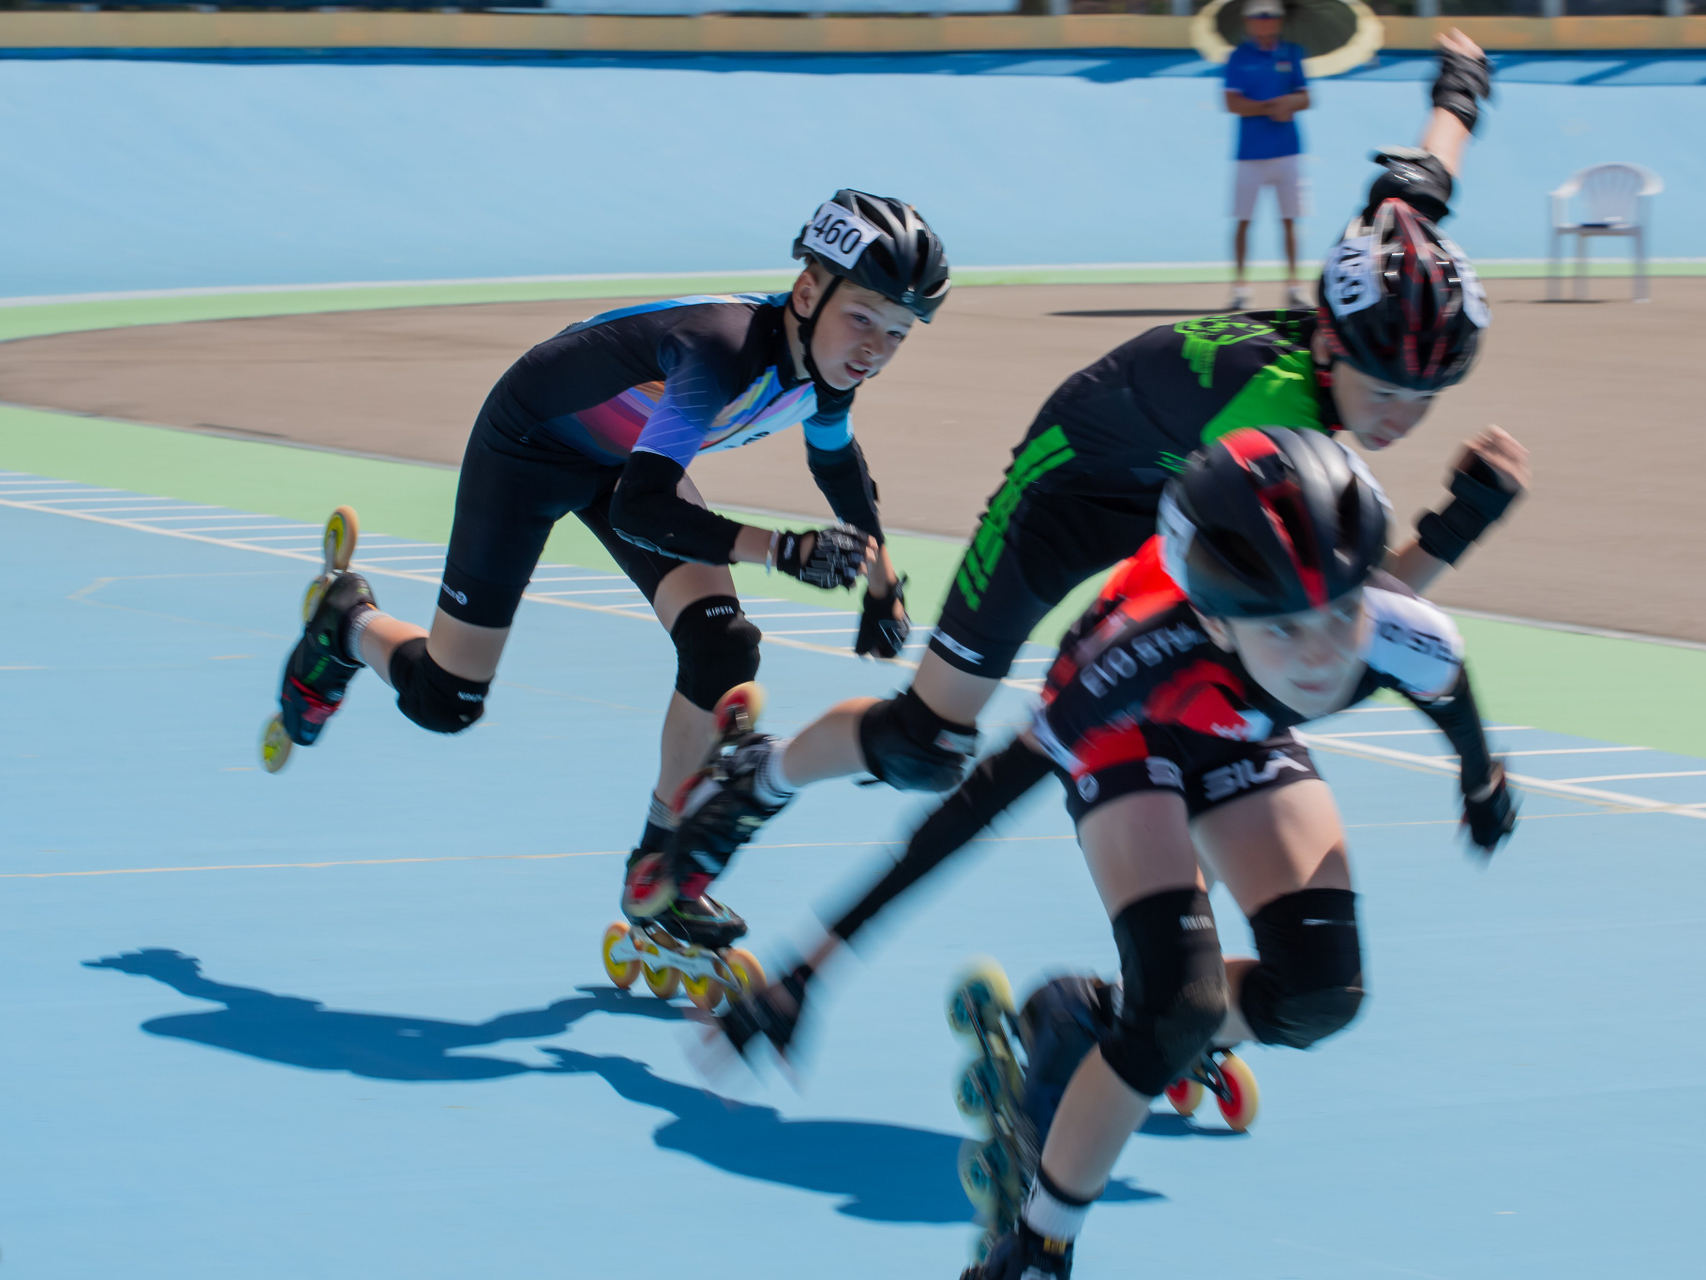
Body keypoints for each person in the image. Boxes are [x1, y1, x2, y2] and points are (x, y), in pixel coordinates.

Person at [626, 31, 1514, 923]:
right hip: (1069, 491)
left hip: (1184, 483)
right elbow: (1352, 617)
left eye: (1425, 397)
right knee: (926, 744)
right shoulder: (1277, 423)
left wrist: (1462, 88)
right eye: (1383, 388)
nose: (1399, 417)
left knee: (1198, 711)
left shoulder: (1383, 273)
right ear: (1329, 339)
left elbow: (1421, 180)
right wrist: (1455, 527)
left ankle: (1178, 964)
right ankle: (757, 782)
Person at [711, 429, 1520, 1277]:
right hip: (1127, 731)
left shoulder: (1398, 631)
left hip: (1237, 721)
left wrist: (1481, 784)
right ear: (1217, 617)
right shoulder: (1129, 663)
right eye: (1283, 629)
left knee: (1322, 993)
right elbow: (965, 818)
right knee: (1180, 1009)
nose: (1320, 655)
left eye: (1339, 614)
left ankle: (1089, 1015)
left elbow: (1452, 701)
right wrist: (811, 967)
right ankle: (1039, 1243)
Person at [269, 190, 946, 948]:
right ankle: (346, 621)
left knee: (722, 646)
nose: (875, 349)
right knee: (446, 700)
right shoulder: (720, 351)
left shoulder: (826, 372)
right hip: (529, 451)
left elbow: (840, 469)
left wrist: (883, 584)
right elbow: (641, 511)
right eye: (863, 319)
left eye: (898, 332)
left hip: (628, 461)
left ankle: (662, 870)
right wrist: (782, 550)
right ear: (809, 292)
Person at [1225, 0, 1312, 311]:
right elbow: (1232, 103)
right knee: (1243, 221)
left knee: (1289, 221)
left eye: (1271, 16)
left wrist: (1290, 103)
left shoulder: (1291, 53)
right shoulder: (1238, 57)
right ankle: (1240, 287)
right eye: (1259, 17)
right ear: (1249, 21)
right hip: (1250, 154)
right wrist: (1268, 107)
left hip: (1287, 152)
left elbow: (1305, 97)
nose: (1265, 21)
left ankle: (1294, 286)